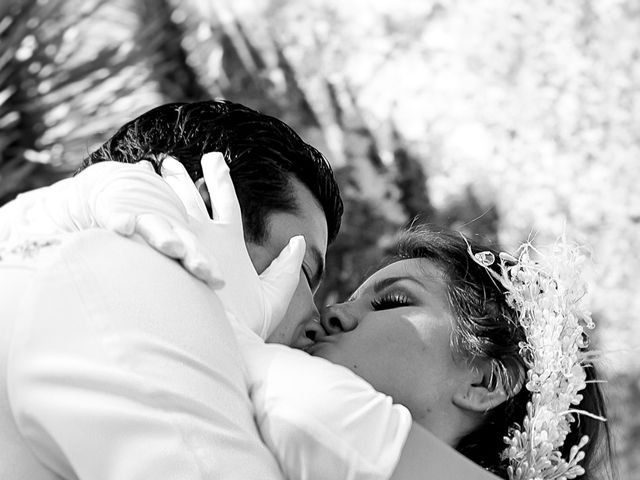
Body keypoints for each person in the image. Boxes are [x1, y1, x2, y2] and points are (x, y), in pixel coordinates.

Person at [2, 152, 614, 479]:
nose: (325, 317)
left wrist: (223, 331)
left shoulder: (304, 407)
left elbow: (307, 412)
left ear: (486, 379)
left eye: (392, 301)